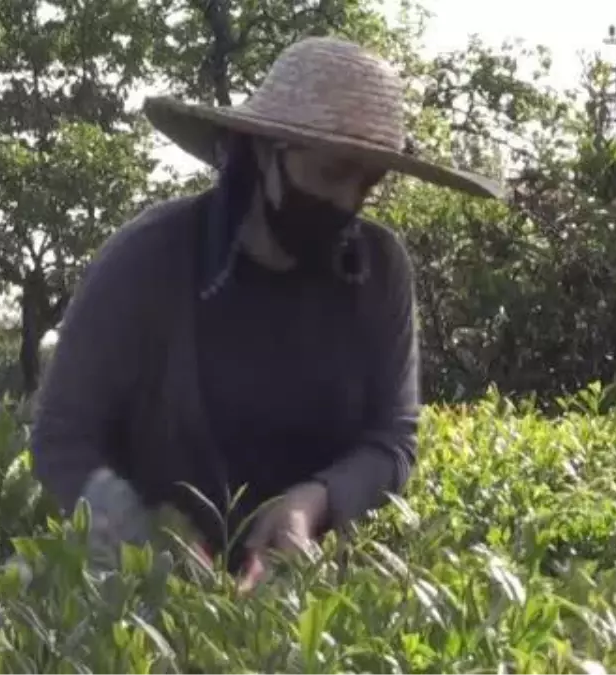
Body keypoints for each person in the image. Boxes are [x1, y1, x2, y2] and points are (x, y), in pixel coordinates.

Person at [30, 36, 505, 588]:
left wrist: (315, 502)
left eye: (367, 183)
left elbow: (392, 439)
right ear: (262, 150)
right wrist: (147, 536)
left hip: (309, 586)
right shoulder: (149, 258)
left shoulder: (379, 269)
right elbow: (62, 436)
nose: (347, 202)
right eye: (331, 173)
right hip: (146, 587)